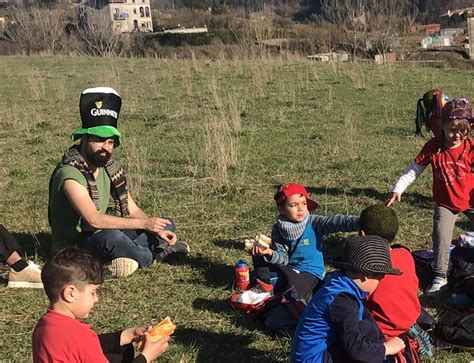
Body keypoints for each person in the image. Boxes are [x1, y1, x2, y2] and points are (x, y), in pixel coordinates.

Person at [48, 87, 189, 277]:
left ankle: (129, 257)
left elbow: (132, 210)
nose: (105, 148)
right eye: (99, 140)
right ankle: (154, 254)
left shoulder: (109, 168)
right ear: (84, 138)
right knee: (112, 237)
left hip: (97, 235)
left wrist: (153, 228)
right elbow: (93, 220)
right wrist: (144, 225)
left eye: (110, 142)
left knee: (166, 224)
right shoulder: (70, 173)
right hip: (73, 247)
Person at [388, 97, 474, 296]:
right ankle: (440, 276)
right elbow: (414, 169)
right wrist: (398, 188)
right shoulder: (433, 147)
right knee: (441, 237)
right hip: (445, 203)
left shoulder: (469, 148)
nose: (457, 135)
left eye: (463, 131)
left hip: (470, 201)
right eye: (452, 129)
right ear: (442, 125)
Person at [32, 247, 169, 363]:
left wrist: (129, 334)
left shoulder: (43, 327)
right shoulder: (80, 336)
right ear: (70, 293)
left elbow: (88, 346)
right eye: (93, 292)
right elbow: (86, 344)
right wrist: (146, 356)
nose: (96, 299)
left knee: (120, 352)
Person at [232, 183, 359, 305]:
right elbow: (283, 258)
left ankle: (269, 290)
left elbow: (337, 222)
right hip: (289, 268)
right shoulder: (278, 229)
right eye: (293, 205)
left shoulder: (314, 223)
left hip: (310, 273)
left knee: (292, 291)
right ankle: (264, 286)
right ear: (281, 209)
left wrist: (360, 221)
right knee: (259, 253)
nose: (301, 208)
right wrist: (270, 254)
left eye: (304, 203)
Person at [292, 235, 405, 363]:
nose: (379, 283)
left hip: (320, 351)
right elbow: (356, 351)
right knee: (363, 340)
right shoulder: (343, 301)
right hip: (314, 359)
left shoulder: (342, 284)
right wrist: (386, 349)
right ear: (366, 275)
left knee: (366, 327)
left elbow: (367, 318)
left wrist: (382, 342)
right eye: (380, 278)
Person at [360, 205, 421, 337]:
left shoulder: (363, 267)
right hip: (410, 323)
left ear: (362, 234)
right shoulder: (405, 255)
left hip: (380, 332)